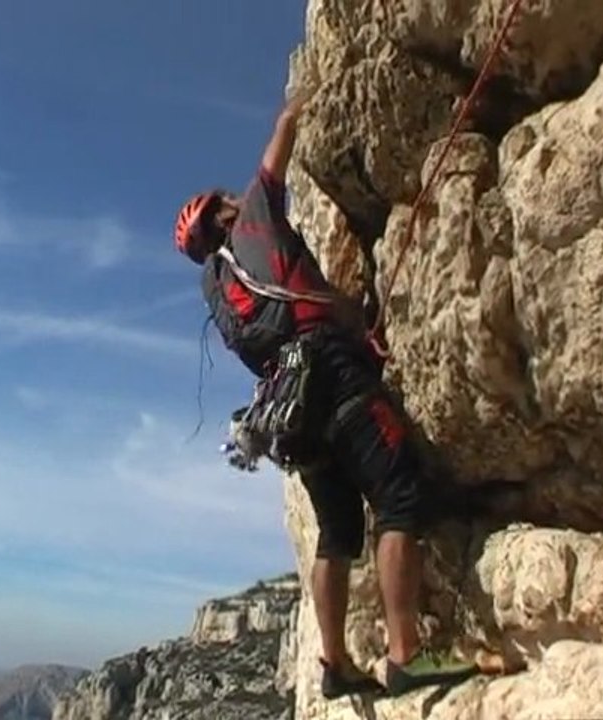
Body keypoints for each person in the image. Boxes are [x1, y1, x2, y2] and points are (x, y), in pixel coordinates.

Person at [172, 79, 478, 699]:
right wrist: (297, 105)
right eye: (227, 201)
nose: (236, 198)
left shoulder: (222, 300)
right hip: (333, 372)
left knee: (338, 532)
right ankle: (403, 655)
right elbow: (277, 151)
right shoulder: (254, 218)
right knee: (398, 499)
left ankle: (334, 662)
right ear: (223, 215)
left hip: (289, 411)